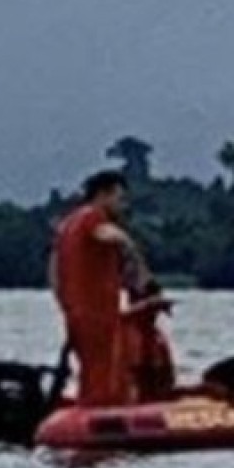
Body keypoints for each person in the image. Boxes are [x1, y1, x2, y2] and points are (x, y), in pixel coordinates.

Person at [48, 169, 140, 406]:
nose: (123, 206)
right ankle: (103, 407)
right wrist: (128, 244)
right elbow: (104, 234)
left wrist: (64, 303)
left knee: (91, 371)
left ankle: (87, 402)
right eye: (120, 199)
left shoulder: (66, 225)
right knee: (107, 371)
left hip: (76, 313)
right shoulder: (93, 217)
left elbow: (54, 271)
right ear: (103, 195)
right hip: (98, 314)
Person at [121, 272, 179, 402]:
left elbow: (169, 380)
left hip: (152, 402)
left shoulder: (158, 340)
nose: (154, 315)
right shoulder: (120, 334)